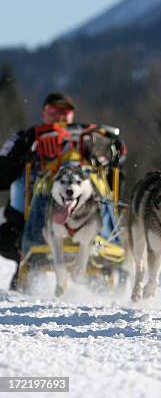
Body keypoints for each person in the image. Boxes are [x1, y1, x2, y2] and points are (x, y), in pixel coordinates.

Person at [0, 92, 78, 289]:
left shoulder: (83, 140)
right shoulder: (25, 138)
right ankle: (26, 281)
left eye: (65, 112)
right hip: (24, 220)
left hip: (76, 218)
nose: (59, 116)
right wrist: (24, 156)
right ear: (43, 113)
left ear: (72, 116)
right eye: (53, 110)